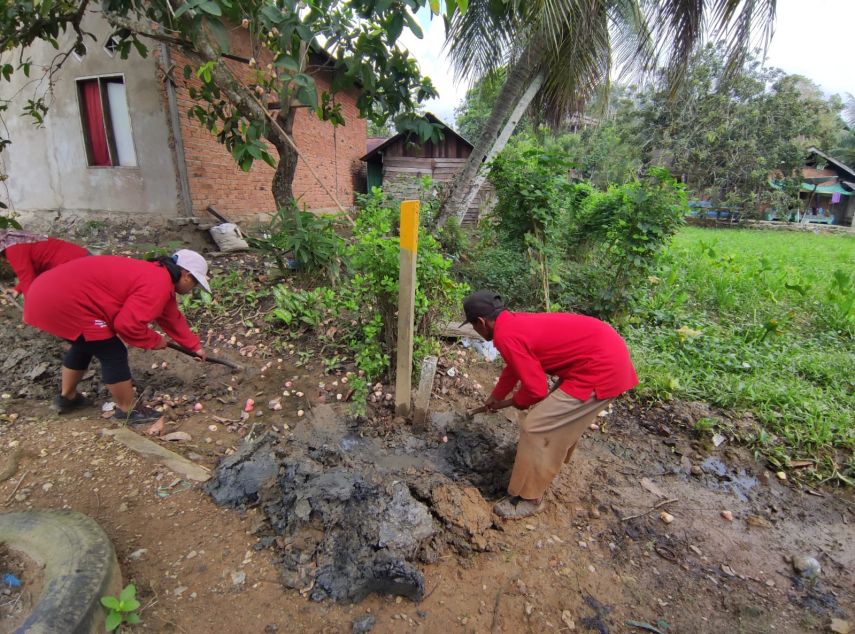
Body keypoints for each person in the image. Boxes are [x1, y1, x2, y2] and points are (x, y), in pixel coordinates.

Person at [461, 290, 638, 519]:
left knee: (535, 427)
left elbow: (536, 390)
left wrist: (515, 402)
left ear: (481, 322)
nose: (475, 330)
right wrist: (497, 396)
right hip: (598, 356)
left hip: (600, 369)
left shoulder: (505, 335)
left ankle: (530, 499)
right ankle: (544, 461)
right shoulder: (512, 323)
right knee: (552, 418)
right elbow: (515, 364)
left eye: (474, 326)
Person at [23, 250, 211, 423]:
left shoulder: (157, 275)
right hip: (61, 301)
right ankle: (127, 411)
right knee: (113, 352)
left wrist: (194, 346)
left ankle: (67, 398)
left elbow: (170, 317)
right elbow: (127, 325)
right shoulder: (158, 283)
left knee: (86, 344)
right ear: (186, 275)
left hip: (45, 294)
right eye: (195, 284)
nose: (192, 289)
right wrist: (154, 340)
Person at [0, 229, 89, 296]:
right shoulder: (15, 239)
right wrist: (18, 289)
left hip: (77, 266)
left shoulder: (13, 249)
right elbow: (33, 270)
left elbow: (27, 279)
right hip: (81, 260)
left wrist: (30, 311)